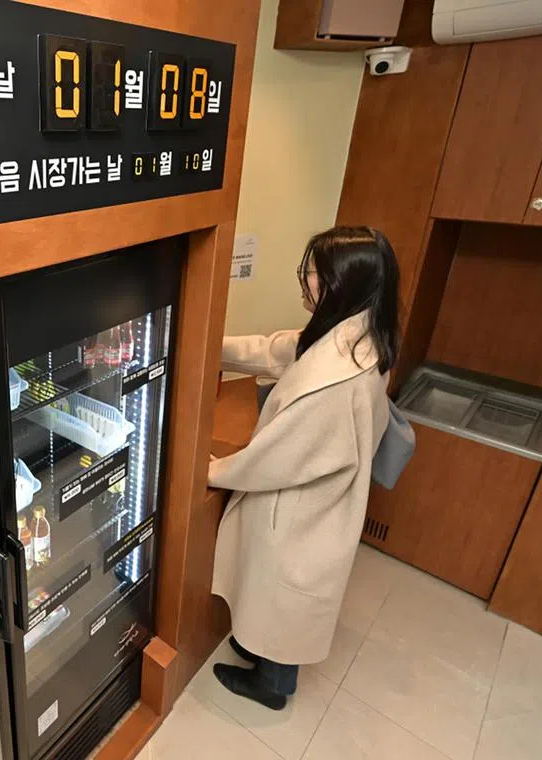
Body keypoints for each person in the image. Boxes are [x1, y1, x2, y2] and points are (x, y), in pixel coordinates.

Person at [207, 225, 400, 710]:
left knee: (285, 593)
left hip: (305, 504)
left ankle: (272, 686)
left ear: (341, 284)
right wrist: (209, 343)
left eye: (313, 273)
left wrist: (214, 471)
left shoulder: (339, 378)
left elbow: (276, 458)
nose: (304, 280)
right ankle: (259, 650)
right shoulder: (355, 334)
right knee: (277, 591)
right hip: (315, 498)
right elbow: (273, 350)